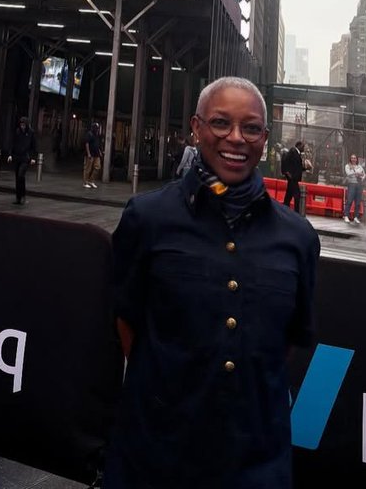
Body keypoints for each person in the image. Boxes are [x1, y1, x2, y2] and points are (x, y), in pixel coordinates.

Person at [103, 77, 319, 489]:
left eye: (251, 128)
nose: (235, 139)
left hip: (256, 458)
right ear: (196, 128)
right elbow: (126, 321)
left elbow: (287, 339)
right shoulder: (147, 218)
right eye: (220, 123)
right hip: (156, 452)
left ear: (265, 139)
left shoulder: (299, 238)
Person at [7, 116, 37, 205]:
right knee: (17, 177)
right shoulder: (17, 132)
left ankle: (23, 195)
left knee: (21, 175)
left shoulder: (31, 133)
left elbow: (34, 146)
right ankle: (18, 197)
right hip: (17, 156)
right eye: (21, 125)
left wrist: (32, 158)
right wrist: (10, 155)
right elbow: (12, 144)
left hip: (25, 157)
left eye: (24, 125)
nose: (22, 126)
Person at [281, 139, 306, 212]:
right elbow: (285, 160)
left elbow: (296, 166)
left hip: (293, 178)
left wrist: (304, 168)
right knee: (297, 195)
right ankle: (296, 212)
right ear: (298, 146)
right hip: (293, 178)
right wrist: (286, 172)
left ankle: (285, 209)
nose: (303, 148)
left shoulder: (296, 153)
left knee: (289, 195)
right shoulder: (293, 151)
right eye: (303, 146)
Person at [344, 153, 365, 224]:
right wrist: (356, 173)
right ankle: (346, 215)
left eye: (354, 158)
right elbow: (348, 173)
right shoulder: (347, 166)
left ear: (356, 159)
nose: (353, 159)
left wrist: (361, 177)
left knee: (358, 202)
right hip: (352, 184)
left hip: (359, 184)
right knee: (349, 200)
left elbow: (364, 174)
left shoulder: (360, 166)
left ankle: (356, 217)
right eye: (352, 158)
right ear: (350, 159)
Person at [83, 121, 102, 189]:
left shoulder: (97, 135)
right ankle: (85, 182)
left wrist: (99, 151)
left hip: (96, 154)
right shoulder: (89, 134)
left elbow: (97, 144)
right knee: (88, 168)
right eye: (96, 128)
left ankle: (91, 180)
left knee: (97, 167)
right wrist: (88, 153)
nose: (97, 129)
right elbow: (87, 144)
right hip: (90, 154)